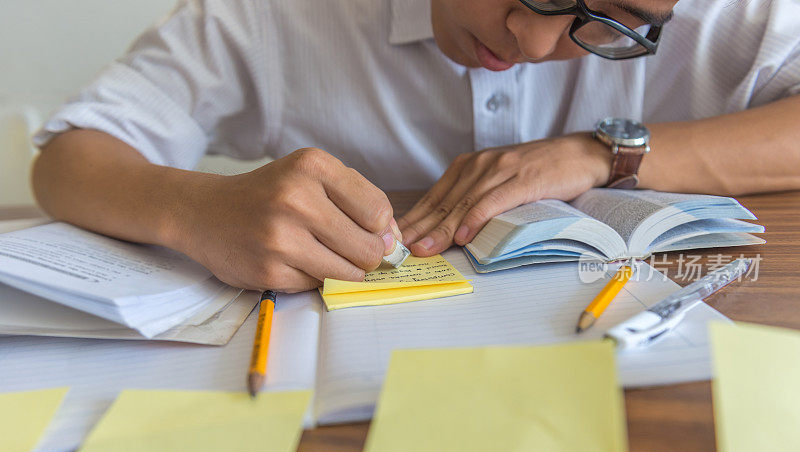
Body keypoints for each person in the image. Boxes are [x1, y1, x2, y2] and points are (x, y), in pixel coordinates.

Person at [31, 0, 800, 292]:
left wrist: (608, 153)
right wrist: (192, 208)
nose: (531, 40)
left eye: (612, 20)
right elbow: (70, 156)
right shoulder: (273, 16)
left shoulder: (737, 12)